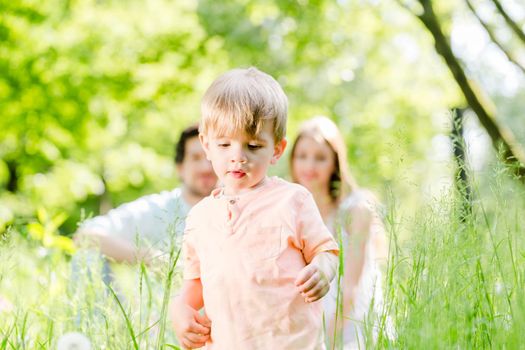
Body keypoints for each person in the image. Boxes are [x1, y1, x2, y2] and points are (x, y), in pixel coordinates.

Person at [170, 67, 339, 349]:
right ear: (206, 145)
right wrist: (179, 311)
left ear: (276, 149)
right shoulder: (200, 218)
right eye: (224, 144)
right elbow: (195, 284)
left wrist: (322, 269)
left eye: (253, 145)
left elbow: (326, 251)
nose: (237, 156)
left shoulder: (292, 200)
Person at [290, 116, 388, 349]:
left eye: (320, 158)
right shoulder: (291, 211)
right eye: (302, 156)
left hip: (352, 322)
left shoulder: (356, 209)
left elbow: (351, 286)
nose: (309, 166)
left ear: (335, 162)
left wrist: (330, 336)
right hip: (310, 323)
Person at [74, 125, 217, 265]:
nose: (206, 167)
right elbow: (86, 235)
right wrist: (152, 259)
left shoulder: (236, 210)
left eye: (211, 157)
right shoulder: (159, 209)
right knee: (87, 257)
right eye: (196, 158)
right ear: (180, 168)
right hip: (171, 287)